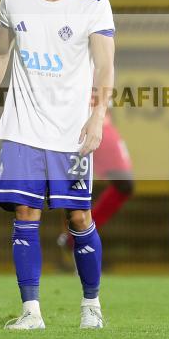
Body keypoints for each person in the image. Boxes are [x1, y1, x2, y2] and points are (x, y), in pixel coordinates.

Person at [0, 0, 115, 329]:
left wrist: (98, 115)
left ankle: (91, 305)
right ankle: (31, 311)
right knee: (25, 210)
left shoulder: (93, 5)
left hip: (71, 132)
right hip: (23, 128)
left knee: (79, 218)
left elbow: (105, 66)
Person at [57, 112, 134, 265]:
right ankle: (76, 239)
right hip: (79, 121)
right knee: (73, 183)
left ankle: (75, 238)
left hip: (101, 121)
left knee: (124, 185)